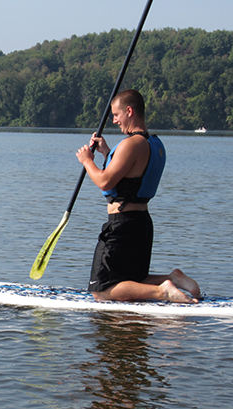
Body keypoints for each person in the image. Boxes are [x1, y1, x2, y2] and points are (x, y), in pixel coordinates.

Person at [75, 89, 200, 304]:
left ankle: (163, 291)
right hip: (142, 223)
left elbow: (105, 182)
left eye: (116, 115)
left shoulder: (131, 144)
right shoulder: (154, 144)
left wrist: (87, 161)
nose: (114, 120)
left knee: (101, 289)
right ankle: (173, 278)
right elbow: (132, 177)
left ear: (129, 111)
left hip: (122, 226)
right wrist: (106, 153)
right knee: (134, 279)